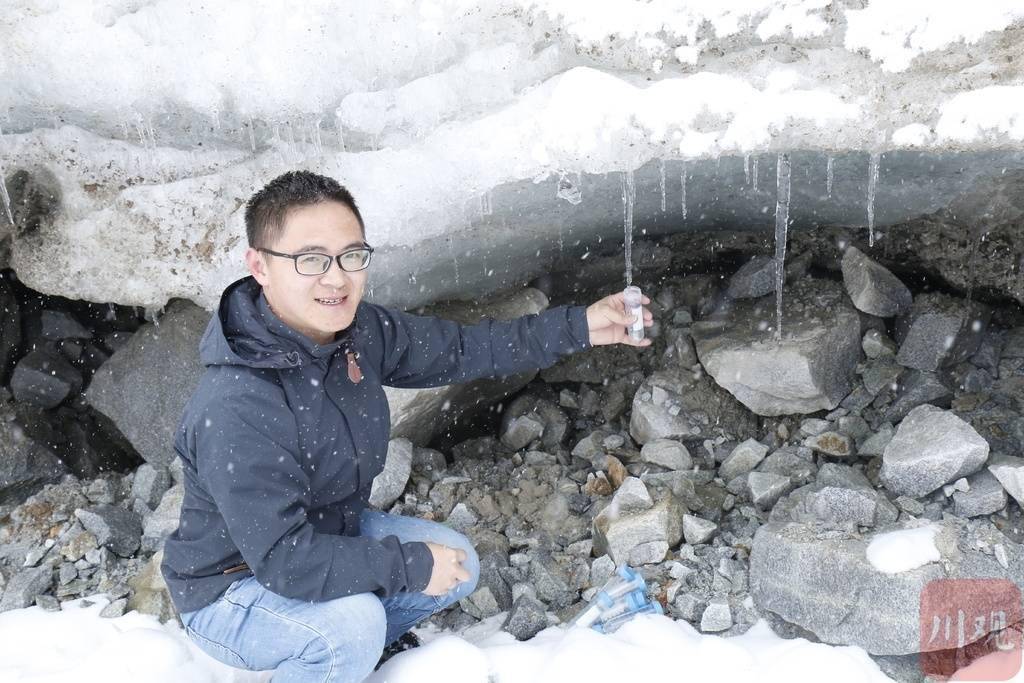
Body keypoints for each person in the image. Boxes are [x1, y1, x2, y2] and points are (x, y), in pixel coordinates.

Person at [160, 170, 653, 682]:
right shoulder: (239, 405)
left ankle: (348, 653)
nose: (337, 278)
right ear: (259, 265)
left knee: (457, 564)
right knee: (353, 626)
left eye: (352, 255)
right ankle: (327, 651)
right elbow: (285, 561)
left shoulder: (357, 333)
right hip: (230, 588)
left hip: (326, 531)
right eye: (311, 259)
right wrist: (409, 566)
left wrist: (580, 326)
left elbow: (464, 349)